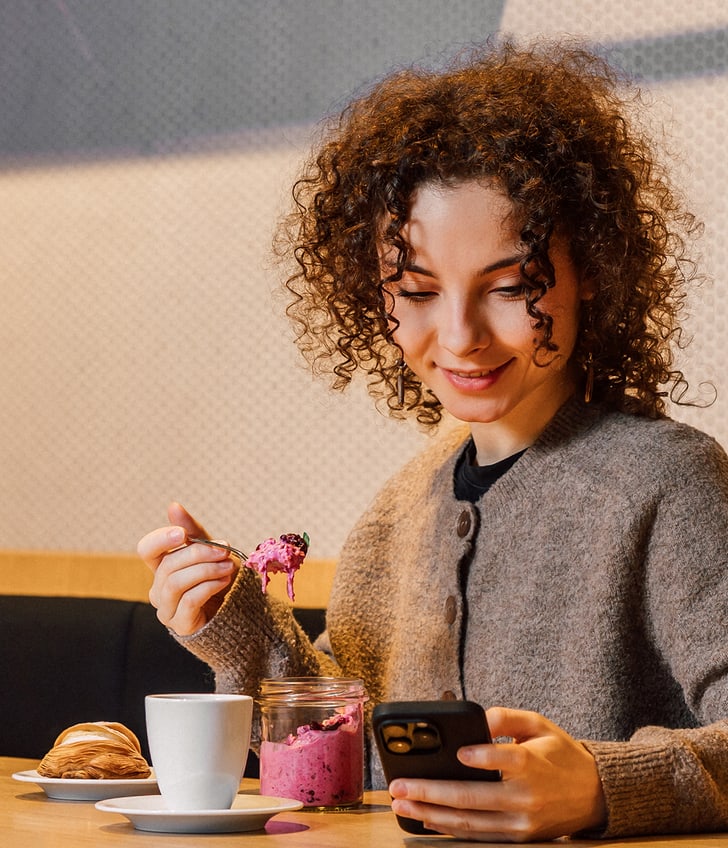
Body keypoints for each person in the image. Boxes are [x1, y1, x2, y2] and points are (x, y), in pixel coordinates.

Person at [138, 40, 728, 842]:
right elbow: (346, 744)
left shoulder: (669, 482)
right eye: (416, 291)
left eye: (511, 286)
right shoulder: (400, 507)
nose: (459, 337)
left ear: (591, 266)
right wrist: (234, 620)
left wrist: (600, 787)